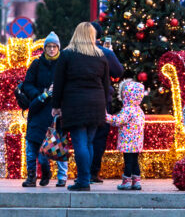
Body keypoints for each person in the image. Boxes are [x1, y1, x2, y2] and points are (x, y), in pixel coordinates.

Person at [51, 22, 113, 191]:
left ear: (76, 34)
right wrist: (105, 106)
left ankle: (83, 181)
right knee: (89, 143)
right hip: (97, 103)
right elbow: (106, 84)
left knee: (79, 143)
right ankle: (87, 177)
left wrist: (56, 105)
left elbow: (59, 83)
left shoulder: (67, 55)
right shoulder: (100, 55)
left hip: (75, 104)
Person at [20, 32, 68, 187]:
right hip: (37, 107)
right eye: (49, 46)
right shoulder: (36, 64)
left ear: (58, 48)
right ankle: (31, 177)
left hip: (55, 110)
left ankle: (48, 172)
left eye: (54, 46)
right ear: (44, 48)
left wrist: (58, 97)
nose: (52, 49)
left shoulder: (63, 63)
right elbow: (27, 84)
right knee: (31, 144)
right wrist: (40, 94)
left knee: (50, 144)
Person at [88, 21, 123, 183]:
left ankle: (83, 172)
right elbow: (118, 71)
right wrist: (111, 53)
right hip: (102, 99)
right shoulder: (106, 53)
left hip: (78, 100)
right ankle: (93, 172)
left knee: (83, 136)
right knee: (99, 136)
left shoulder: (73, 52)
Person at [106, 79, 146, 191]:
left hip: (127, 142)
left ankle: (126, 182)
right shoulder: (139, 110)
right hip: (137, 142)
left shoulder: (127, 109)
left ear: (126, 95)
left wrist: (107, 117)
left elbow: (118, 120)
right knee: (134, 162)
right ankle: (136, 181)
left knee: (128, 162)